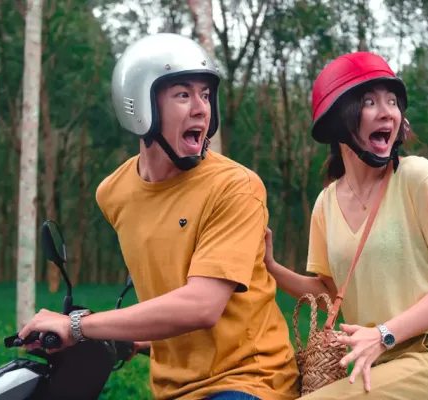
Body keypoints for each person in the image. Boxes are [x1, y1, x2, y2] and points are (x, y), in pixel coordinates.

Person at [18, 33, 300, 400]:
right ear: (139, 106)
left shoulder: (236, 187)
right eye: (183, 95)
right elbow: (170, 292)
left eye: (205, 95)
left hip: (249, 381)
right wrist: (132, 338)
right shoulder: (114, 193)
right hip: (171, 388)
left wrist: (78, 325)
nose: (201, 109)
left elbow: (202, 306)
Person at [263, 51, 428, 399]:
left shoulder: (419, 178)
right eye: (369, 102)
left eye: (392, 102)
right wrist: (271, 268)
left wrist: (384, 333)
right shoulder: (326, 204)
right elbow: (330, 293)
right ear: (337, 122)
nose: (387, 112)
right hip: (380, 365)